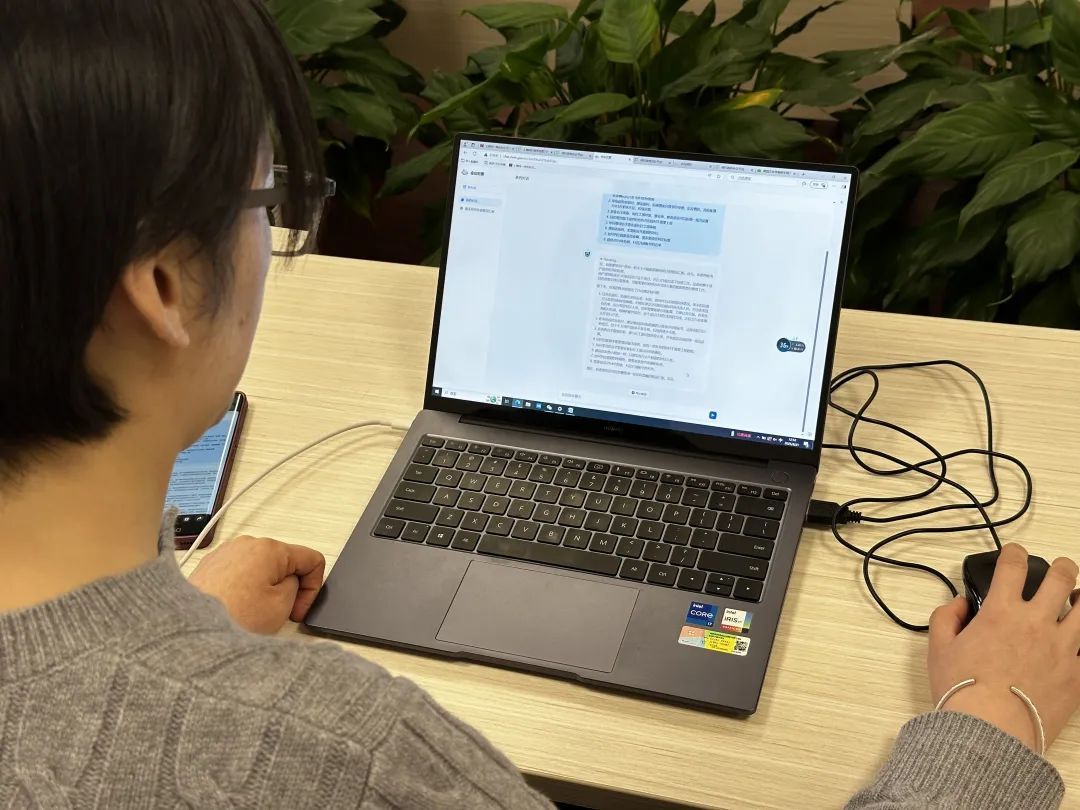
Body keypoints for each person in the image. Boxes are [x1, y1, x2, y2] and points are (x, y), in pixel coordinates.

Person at [0, 1, 1073, 807]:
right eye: (265, 199)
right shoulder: (347, 755)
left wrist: (184, 625)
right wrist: (994, 717)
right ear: (164, 287)